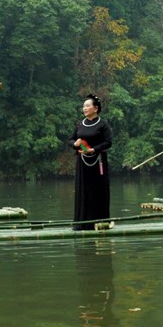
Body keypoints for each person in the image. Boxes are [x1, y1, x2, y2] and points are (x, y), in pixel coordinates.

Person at [69, 94, 112, 230]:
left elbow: (108, 143)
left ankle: (100, 222)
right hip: (83, 162)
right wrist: (75, 143)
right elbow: (71, 140)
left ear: (96, 108)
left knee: (98, 191)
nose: (84, 108)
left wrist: (93, 149)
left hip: (98, 162)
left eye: (87, 105)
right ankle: (82, 223)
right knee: (83, 191)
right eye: (84, 106)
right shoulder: (80, 124)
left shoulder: (103, 124)